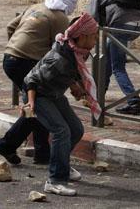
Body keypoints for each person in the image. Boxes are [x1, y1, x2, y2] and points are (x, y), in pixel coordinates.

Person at [0, 0, 78, 165]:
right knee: (39, 105)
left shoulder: (36, 7)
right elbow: (63, 51)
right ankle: (7, 145)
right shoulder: (60, 18)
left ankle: (42, 153)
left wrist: (18, 46)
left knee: (38, 103)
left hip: (10, 58)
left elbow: (11, 27)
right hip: (28, 63)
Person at [25, 13, 100, 197]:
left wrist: (74, 85)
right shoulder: (60, 58)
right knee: (61, 131)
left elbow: (70, 72)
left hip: (54, 94)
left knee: (76, 130)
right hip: (40, 96)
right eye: (93, 36)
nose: (96, 39)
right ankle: (55, 181)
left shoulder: (75, 51)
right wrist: (31, 103)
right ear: (81, 36)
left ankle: (62, 165)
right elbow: (31, 79)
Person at [89, 0, 140, 115]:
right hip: (137, 27)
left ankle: (134, 101)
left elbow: (90, 20)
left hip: (120, 27)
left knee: (118, 67)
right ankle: (100, 93)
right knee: (107, 57)